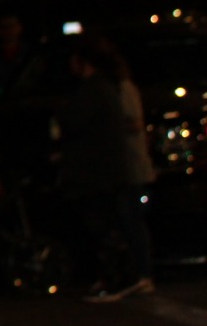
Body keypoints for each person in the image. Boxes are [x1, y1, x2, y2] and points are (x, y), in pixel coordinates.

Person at [60, 38, 155, 301]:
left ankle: (134, 275)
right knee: (118, 223)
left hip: (121, 169)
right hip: (116, 169)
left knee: (124, 223)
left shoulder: (108, 89)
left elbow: (130, 124)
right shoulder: (104, 88)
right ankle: (126, 274)